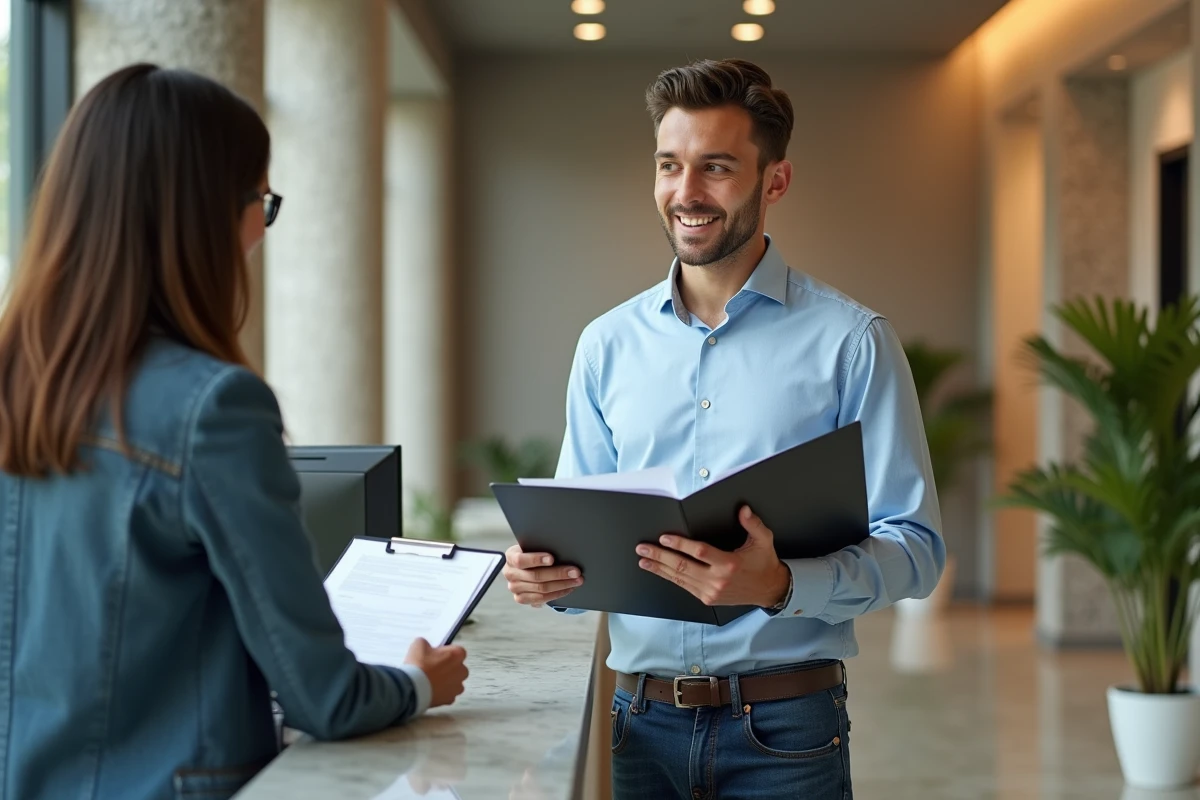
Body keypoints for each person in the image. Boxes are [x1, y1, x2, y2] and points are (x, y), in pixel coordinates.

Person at [0, 64, 468, 800]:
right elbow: (326, 697)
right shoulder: (214, 409)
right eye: (262, 201)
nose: (260, 231)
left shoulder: (15, 384)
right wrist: (417, 682)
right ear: (203, 216)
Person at [502, 58, 944, 798]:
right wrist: (549, 576)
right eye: (668, 165)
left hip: (786, 732)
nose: (686, 193)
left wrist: (783, 585)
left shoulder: (850, 342)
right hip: (638, 727)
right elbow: (582, 539)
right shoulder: (606, 346)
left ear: (775, 181)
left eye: (716, 167)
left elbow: (917, 547)